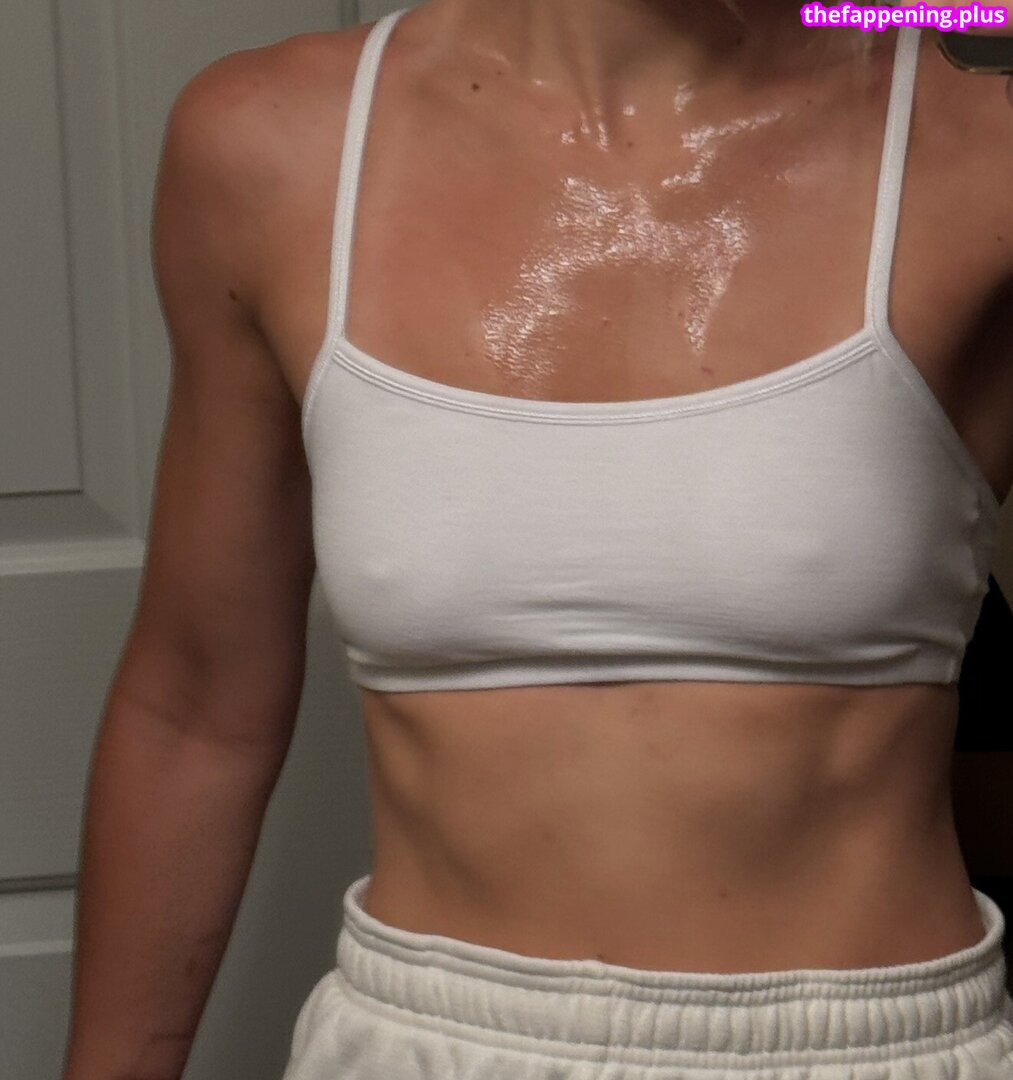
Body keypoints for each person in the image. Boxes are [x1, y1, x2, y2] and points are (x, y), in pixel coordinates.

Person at [62, 1, 1013, 1078]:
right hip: (421, 1045)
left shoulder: (973, 127)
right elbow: (197, 708)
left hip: (864, 1047)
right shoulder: (268, 142)